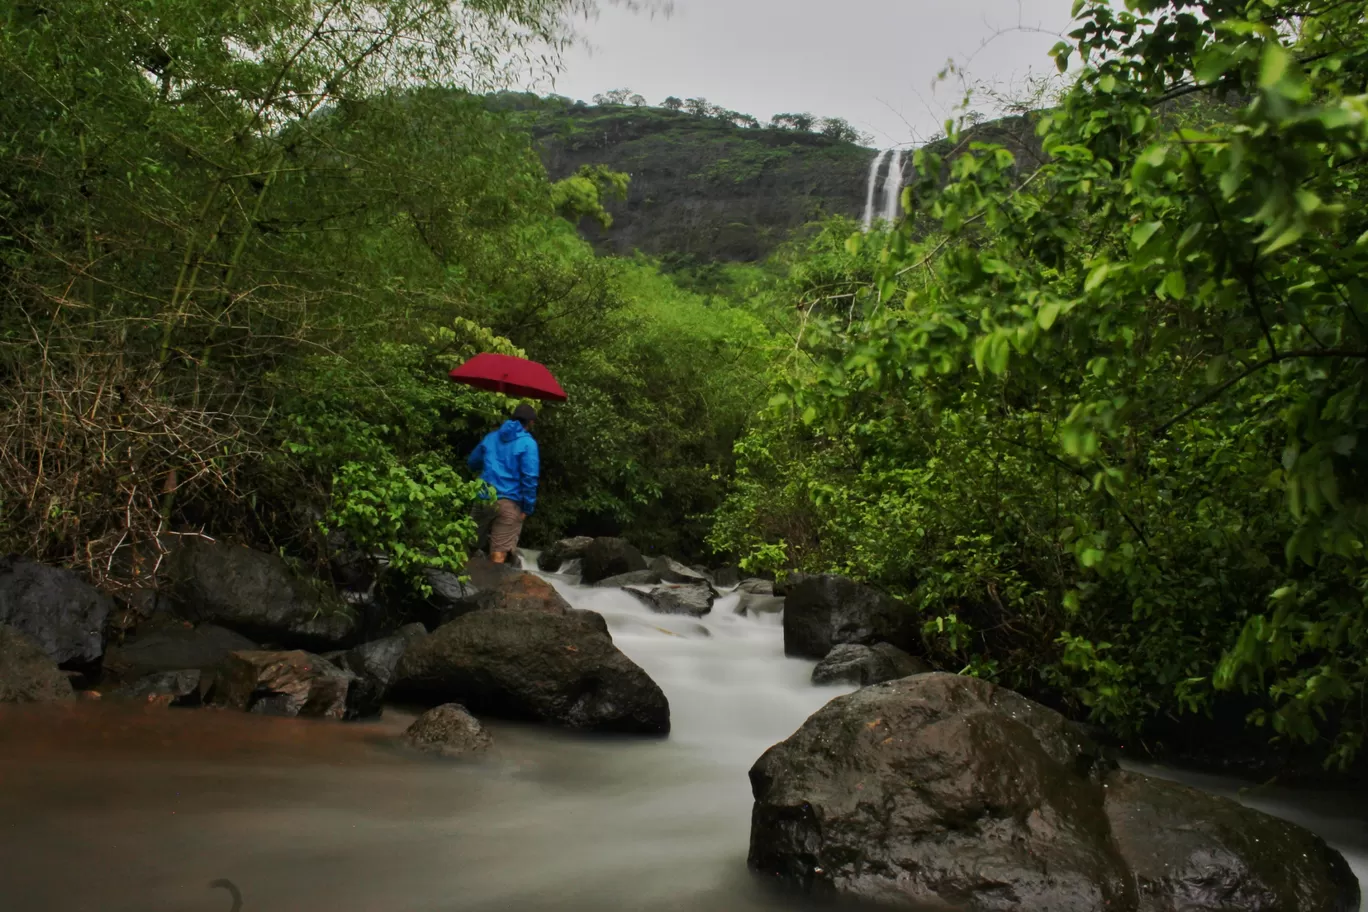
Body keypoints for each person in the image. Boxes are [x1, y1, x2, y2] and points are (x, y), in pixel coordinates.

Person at [467, 403, 540, 564]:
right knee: (498, 555)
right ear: (530, 422)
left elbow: (472, 462)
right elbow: (530, 477)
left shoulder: (491, 437)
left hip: (483, 498)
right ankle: (491, 588)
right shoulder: (528, 444)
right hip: (509, 502)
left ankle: (455, 583)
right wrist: (527, 508)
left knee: (467, 545)